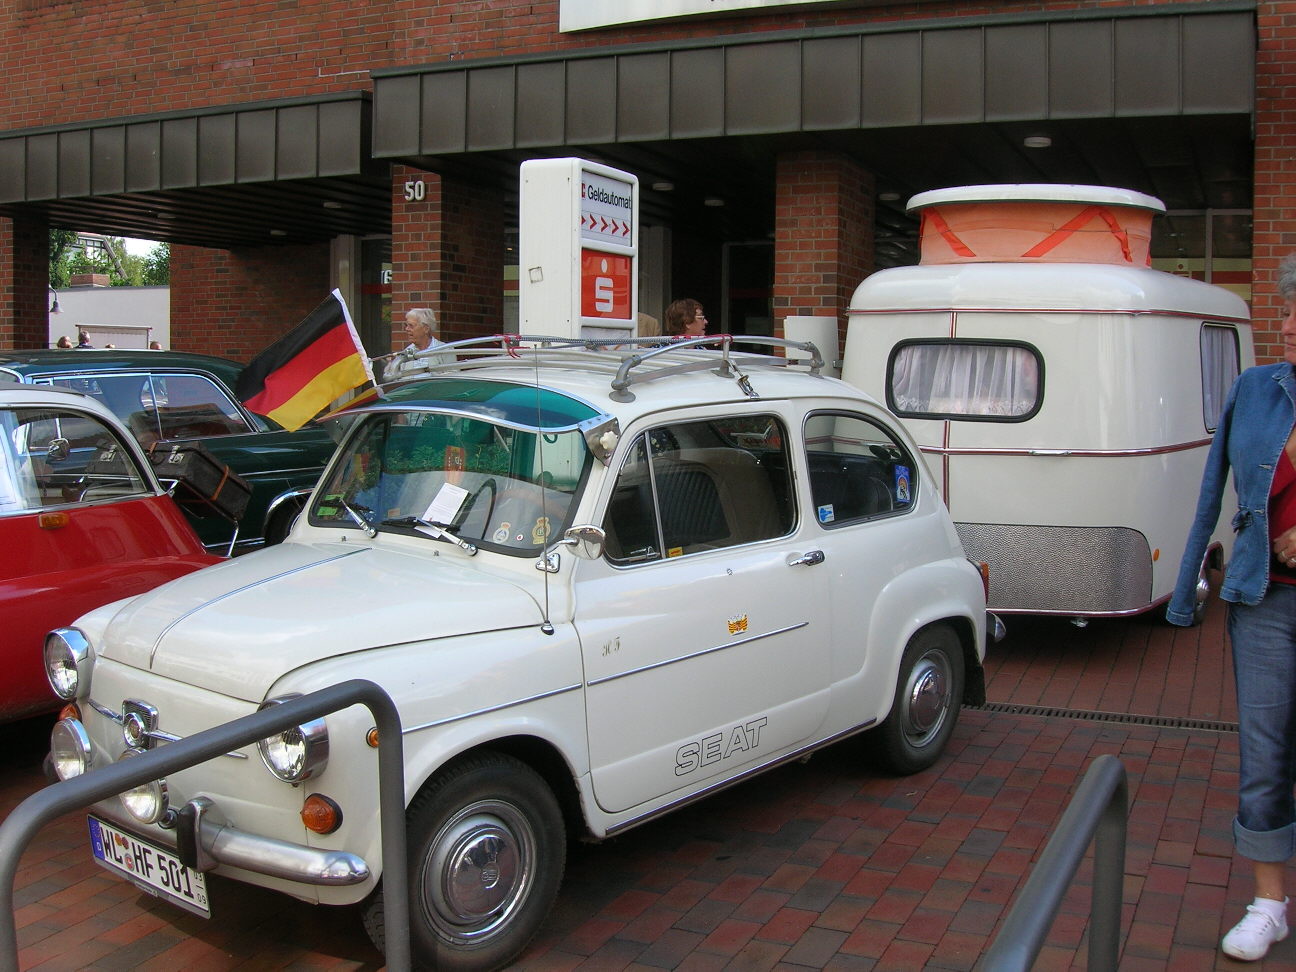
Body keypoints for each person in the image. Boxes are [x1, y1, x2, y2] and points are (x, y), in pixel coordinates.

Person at [1168, 252, 1296, 961]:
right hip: (1264, 601)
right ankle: (1269, 903)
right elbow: (1211, 491)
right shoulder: (1256, 389)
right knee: (1265, 753)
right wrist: (1187, 588)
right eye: (1288, 309)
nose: (1289, 321)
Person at [387, 307, 443, 379]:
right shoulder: (405, 354)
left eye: (411, 326)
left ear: (426, 329)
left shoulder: (445, 350)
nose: (407, 329)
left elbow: (452, 379)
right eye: (406, 325)